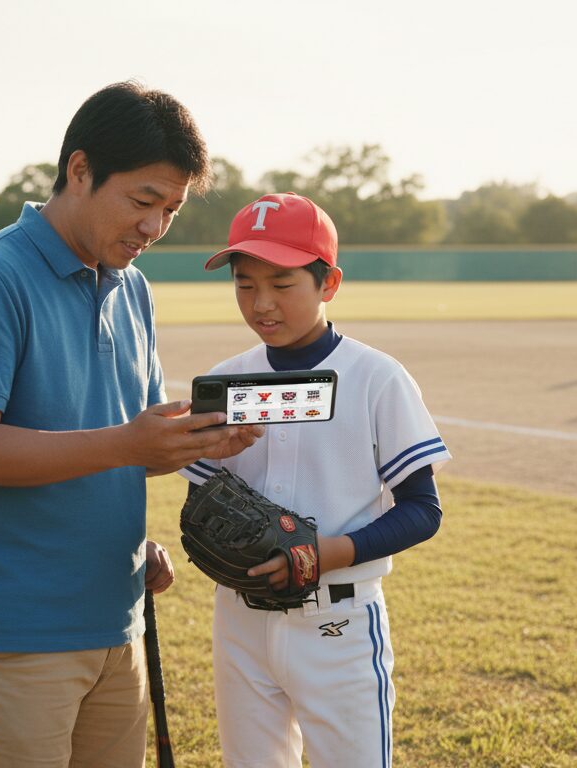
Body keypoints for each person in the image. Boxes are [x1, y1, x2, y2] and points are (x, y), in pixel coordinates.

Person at [0, 82, 261, 767]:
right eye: (142, 202)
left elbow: (133, 444)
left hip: (119, 614)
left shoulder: (132, 287)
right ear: (79, 171)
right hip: (17, 631)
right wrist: (129, 442)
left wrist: (196, 441)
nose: (153, 227)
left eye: (169, 209)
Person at [180, 193, 451, 767]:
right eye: (245, 284)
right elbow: (202, 505)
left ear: (328, 283)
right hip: (240, 621)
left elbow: (422, 509)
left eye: (282, 283)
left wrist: (324, 553)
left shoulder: (376, 377)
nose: (261, 303)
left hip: (338, 623)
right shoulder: (227, 380)